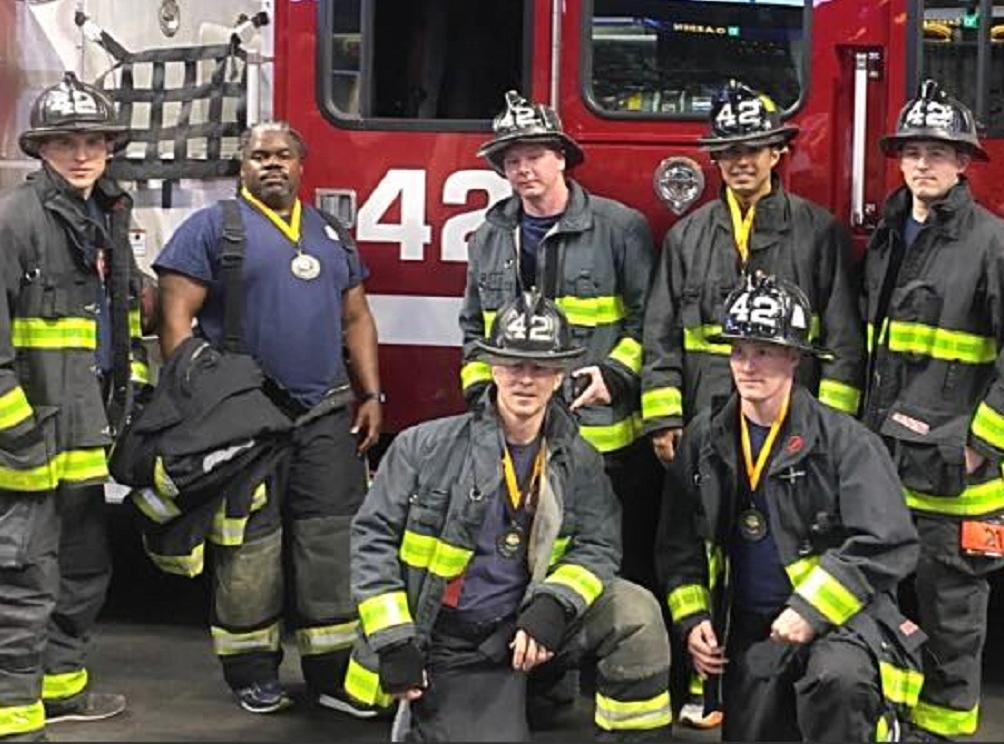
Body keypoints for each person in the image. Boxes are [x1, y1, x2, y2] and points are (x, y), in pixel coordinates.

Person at [639, 78, 866, 728]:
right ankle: (703, 689)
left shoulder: (816, 233)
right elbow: (659, 334)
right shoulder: (689, 238)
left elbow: (843, 338)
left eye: (754, 149)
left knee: (777, 550)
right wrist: (664, 416)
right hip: (707, 427)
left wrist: (835, 431)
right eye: (729, 152)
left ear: (776, 155)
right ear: (716, 161)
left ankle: (789, 678)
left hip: (787, 429)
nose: (740, 161)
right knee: (698, 546)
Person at [352, 293, 673, 742]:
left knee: (634, 612)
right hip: (452, 643)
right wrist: (394, 640)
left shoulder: (578, 458)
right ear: (492, 368)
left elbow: (598, 544)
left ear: (559, 374)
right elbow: (372, 541)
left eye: (540, 368)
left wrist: (553, 605)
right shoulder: (422, 447)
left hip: (526, 623)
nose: (526, 379)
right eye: (513, 364)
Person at [0, 71, 148, 740]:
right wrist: (18, 438)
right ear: (39, 149)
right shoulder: (4, 224)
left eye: (94, 141)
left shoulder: (105, 218)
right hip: (21, 461)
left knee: (78, 579)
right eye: (64, 143)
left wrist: (130, 415)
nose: (81, 154)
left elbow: (118, 331)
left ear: (111, 147)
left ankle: (58, 692)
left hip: (83, 451)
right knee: (12, 594)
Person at [153, 120, 382, 716]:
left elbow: (356, 317)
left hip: (327, 415)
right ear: (242, 168)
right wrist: (202, 405)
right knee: (249, 549)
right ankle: (251, 671)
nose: (271, 164)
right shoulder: (211, 229)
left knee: (332, 545)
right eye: (259, 156)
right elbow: (174, 320)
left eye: (283, 155)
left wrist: (372, 394)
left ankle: (333, 675)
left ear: (302, 165)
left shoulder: (330, 233)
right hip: (246, 423)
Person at [860, 80, 1004, 740]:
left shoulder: (997, 247)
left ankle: (940, 735)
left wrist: (974, 449)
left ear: (964, 163)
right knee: (880, 619)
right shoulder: (888, 238)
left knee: (951, 633)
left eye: (939, 153)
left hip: (955, 490)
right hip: (885, 476)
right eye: (914, 151)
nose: (924, 164)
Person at [655, 272, 923, 742]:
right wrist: (694, 619)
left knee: (838, 682)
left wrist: (810, 610)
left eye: (764, 351)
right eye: (738, 350)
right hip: (752, 628)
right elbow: (679, 543)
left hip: (839, 624)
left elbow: (888, 541)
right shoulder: (706, 437)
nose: (748, 365)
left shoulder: (845, 443)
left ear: (794, 357)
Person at [459, 91, 662, 591]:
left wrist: (615, 374)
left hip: (604, 437)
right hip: (518, 439)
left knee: (615, 561)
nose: (523, 169)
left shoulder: (619, 228)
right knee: (524, 559)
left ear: (562, 158)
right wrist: (484, 397)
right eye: (512, 160)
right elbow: (472, 330)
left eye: (534, 156)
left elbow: (651, 321)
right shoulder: (488, 237)